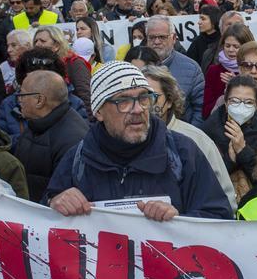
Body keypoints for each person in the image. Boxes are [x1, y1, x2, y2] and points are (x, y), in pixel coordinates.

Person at [44, 61, 231, 219]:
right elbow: (43, 219)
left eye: (144, 98)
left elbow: (219, 216)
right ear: (99, 111)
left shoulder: (183, 152)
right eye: (123, 101)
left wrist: (179, 221)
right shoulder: (78, 158)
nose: (138, 109)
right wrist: (55, 202)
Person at [142, 65, 238, 212]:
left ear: (168, 101)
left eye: (151, 97)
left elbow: (225, 200)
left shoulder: (196, 140)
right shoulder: (126, 140)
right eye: (139, 98)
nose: (144, 105)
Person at [11, 70, 91, 203]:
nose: (19, 99)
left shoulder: (72, 140)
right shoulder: (37, 124)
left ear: (39, 100)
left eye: (22, 94)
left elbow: (63, 197)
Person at [200, 74, 257, 201]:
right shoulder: (209, 129)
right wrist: (230, 160)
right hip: (217, 200)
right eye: (235, 101)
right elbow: (203, 178)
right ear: (226, 103)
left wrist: (243, 150)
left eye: (249, 102)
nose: (241, 106)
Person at [145, 15, 205, 125]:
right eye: (152, 37)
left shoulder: (191, 68)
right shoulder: (136, 66)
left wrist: (189, 135)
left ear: (173, 38)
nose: (157, 42)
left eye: (162, 37)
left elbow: (200, 108)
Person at [33, 25, 91, 115]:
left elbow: (86, 98)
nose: (37, 44)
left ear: (56, 46)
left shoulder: (75, 64)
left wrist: (87, 125)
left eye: (42, 41)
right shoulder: (35, 67)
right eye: (35, 41)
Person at [202, 23, 254, 118]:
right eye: (227, 45)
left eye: (236, 46)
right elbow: (206, 111)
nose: (231, 50)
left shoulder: (254, 70)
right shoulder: (213, 71)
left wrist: (237, 84)